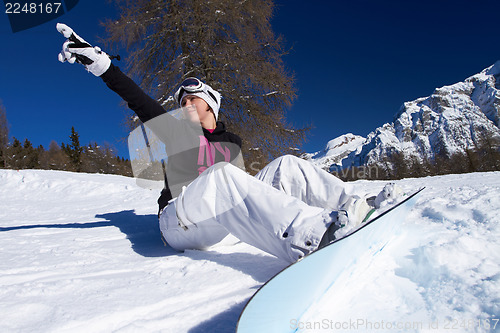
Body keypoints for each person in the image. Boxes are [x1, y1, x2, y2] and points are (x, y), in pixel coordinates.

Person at [56, 23, 400, 263]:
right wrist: (101, 65)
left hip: (214, 221)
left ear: (211, 105)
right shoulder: (178, 132)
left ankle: (359, 210)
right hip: (177, 221)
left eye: (192, 100)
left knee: (287, 165)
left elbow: (245, 194)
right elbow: (139, 100)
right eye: (181, 103)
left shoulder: (231, 142)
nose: (185, 106)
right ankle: (315, 236)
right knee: (220, 176)